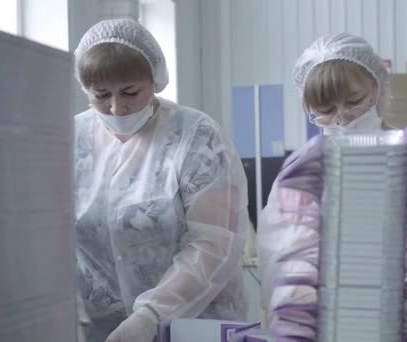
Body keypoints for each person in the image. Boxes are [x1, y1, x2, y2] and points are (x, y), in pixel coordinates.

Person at [73, 18, 249, 342]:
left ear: (154, 80)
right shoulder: (72, 141)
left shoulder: (196, 137)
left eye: (130, 91)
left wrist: (152, 315)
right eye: (101, 95)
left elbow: (212, 244)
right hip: (98, 329)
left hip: (194, 323)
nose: (116, 107)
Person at [256, 33, 389, 341]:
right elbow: (284, 264)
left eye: (354, 102)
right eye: (326, 111)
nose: (342, 119)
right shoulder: (302, 173)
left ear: (378, 87)